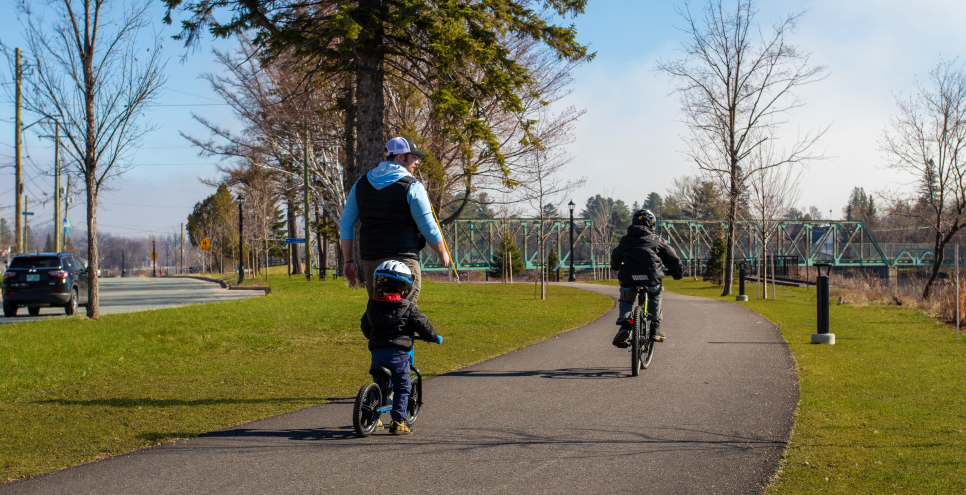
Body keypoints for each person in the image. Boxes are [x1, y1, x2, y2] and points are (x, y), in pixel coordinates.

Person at [340, 137, 451, 302]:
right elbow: (428, 227)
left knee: (378, 311)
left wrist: (348, 260)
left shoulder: (360, 184)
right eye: (413, 157)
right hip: (403, 260)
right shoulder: (412, 186)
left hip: (371, 260)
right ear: (401, 157)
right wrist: (442, 252)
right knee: (404, 313)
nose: (417, 162)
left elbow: (346, 224)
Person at [361, 260, 442, 435]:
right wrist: (433, 337)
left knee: (380, 383)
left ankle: (376, 419)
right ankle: (398, 421)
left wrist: (374, 338)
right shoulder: (408, 307)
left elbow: (365, 327)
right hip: (398, 354)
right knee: (403, 386)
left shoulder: (372, 306)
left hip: (377, 353)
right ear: (403, 286)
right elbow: (423, 324)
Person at [610, 209, 684, 347]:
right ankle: (655, 328)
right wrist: (677, 274)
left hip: (628, 278)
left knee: (626, 300)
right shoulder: (658, 240)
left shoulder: (625, 241)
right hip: (651, 278)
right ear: (652, 225)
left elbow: (615, 257)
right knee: (655, 295)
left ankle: (624, 326)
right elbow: (673, 258)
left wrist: (616, 267)